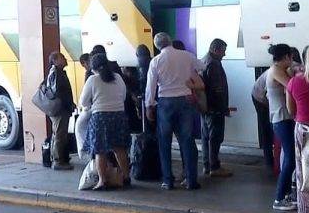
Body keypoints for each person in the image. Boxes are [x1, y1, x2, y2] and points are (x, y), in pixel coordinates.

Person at [145, 32, 203, 190]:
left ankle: (168, 181)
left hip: (165, 103)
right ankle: (191, 181)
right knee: (187, 141)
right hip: (185, 100)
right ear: (170, 41)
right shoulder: (186, 55)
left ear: (157, 46)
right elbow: (202, 66)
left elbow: (151, 86)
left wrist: (149, 106)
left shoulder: (156, 61)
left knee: (164, 142)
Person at [79, 54, 131, 190]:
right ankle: (126, 176)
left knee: (99, 150)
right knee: (119, 148)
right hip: (119, 116)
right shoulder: (118, 77)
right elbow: (124, 95)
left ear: (92, 67)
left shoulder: (92, 80)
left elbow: (83, 101)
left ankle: (102, 181)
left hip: (100, 118)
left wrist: (92, 103)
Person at [267, 43, 297, 211]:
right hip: (281, 119)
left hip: (284, 118)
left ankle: (285, 194)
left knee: (291, 157)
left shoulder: (279, 69)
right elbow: (292, 85)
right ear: (286, 57)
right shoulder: (276, 70)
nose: (292, 60)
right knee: (290, 158)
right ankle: (279, 198)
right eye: (291, 57)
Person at [287, 44, 309, 193]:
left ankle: (306, 211)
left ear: (301, 59)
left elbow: (291, 110)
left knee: (303, 168)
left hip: (302, 129)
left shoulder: (294, 82)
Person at [201, 39, 233, 177]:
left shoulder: (204, 60)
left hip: (205, 106)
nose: (224, 54)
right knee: (215, 137)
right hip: (214, 108)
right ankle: (214, 167)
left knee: (206, 137)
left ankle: (207, 165)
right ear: (215, 49)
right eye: (223, 51)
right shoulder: (213, 64)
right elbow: (217, 89)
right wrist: (222, 108)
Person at [46, 52, 76, 170]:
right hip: (60, 109)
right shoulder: (56, 73)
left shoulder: (57, 72)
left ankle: (58, 158)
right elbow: (59, 92)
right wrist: (69, 104)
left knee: (58, 134)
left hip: (60, 109)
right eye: (62, 58)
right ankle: (58, 161)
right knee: (60, 135)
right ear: (55, 60)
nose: (65, 59)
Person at [252, 69, 275, 168]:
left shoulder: (289, 68)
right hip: (259, 98)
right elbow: (268, 96)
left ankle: (270, 159)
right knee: (266, 128)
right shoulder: (275, 72)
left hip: (262, 95)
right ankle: (269, 161)